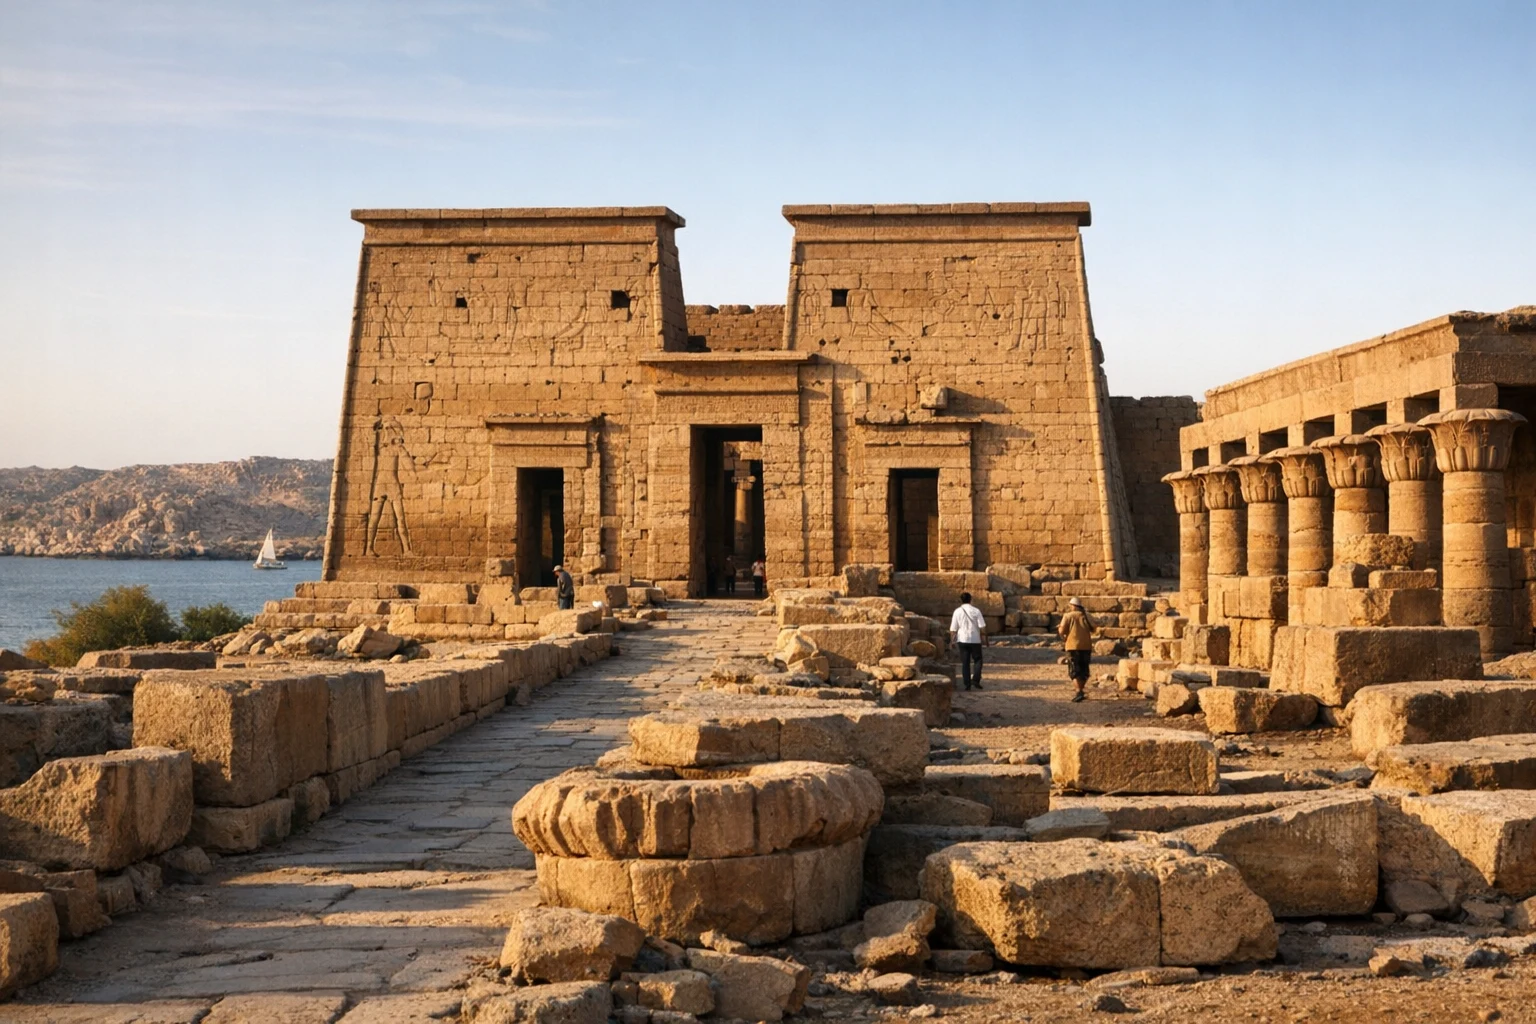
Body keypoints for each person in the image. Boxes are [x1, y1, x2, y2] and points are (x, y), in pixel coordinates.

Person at [1058, 596, 1096, 702]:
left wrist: (1064, 635)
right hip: (1086, 646)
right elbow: (1094, 627)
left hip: (1072, 646)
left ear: (1073, 606)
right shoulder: (1086, 616)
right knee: (1084, 670)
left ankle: (1078, 691)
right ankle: (1080, 690)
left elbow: (1062, 631)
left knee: (1074, 671)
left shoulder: (1068, 616)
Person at [948, 592, 988, 691]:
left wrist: (952, 641)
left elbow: (953, 629)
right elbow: (982, 627)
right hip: (975, 639)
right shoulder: (976, 611)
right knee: (978, 660)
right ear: (971, 599)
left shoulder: (957, 611)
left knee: (965, 662)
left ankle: (967, 684)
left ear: (961, 600)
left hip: (962, 639)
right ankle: (976, 680)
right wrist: (984, 639)